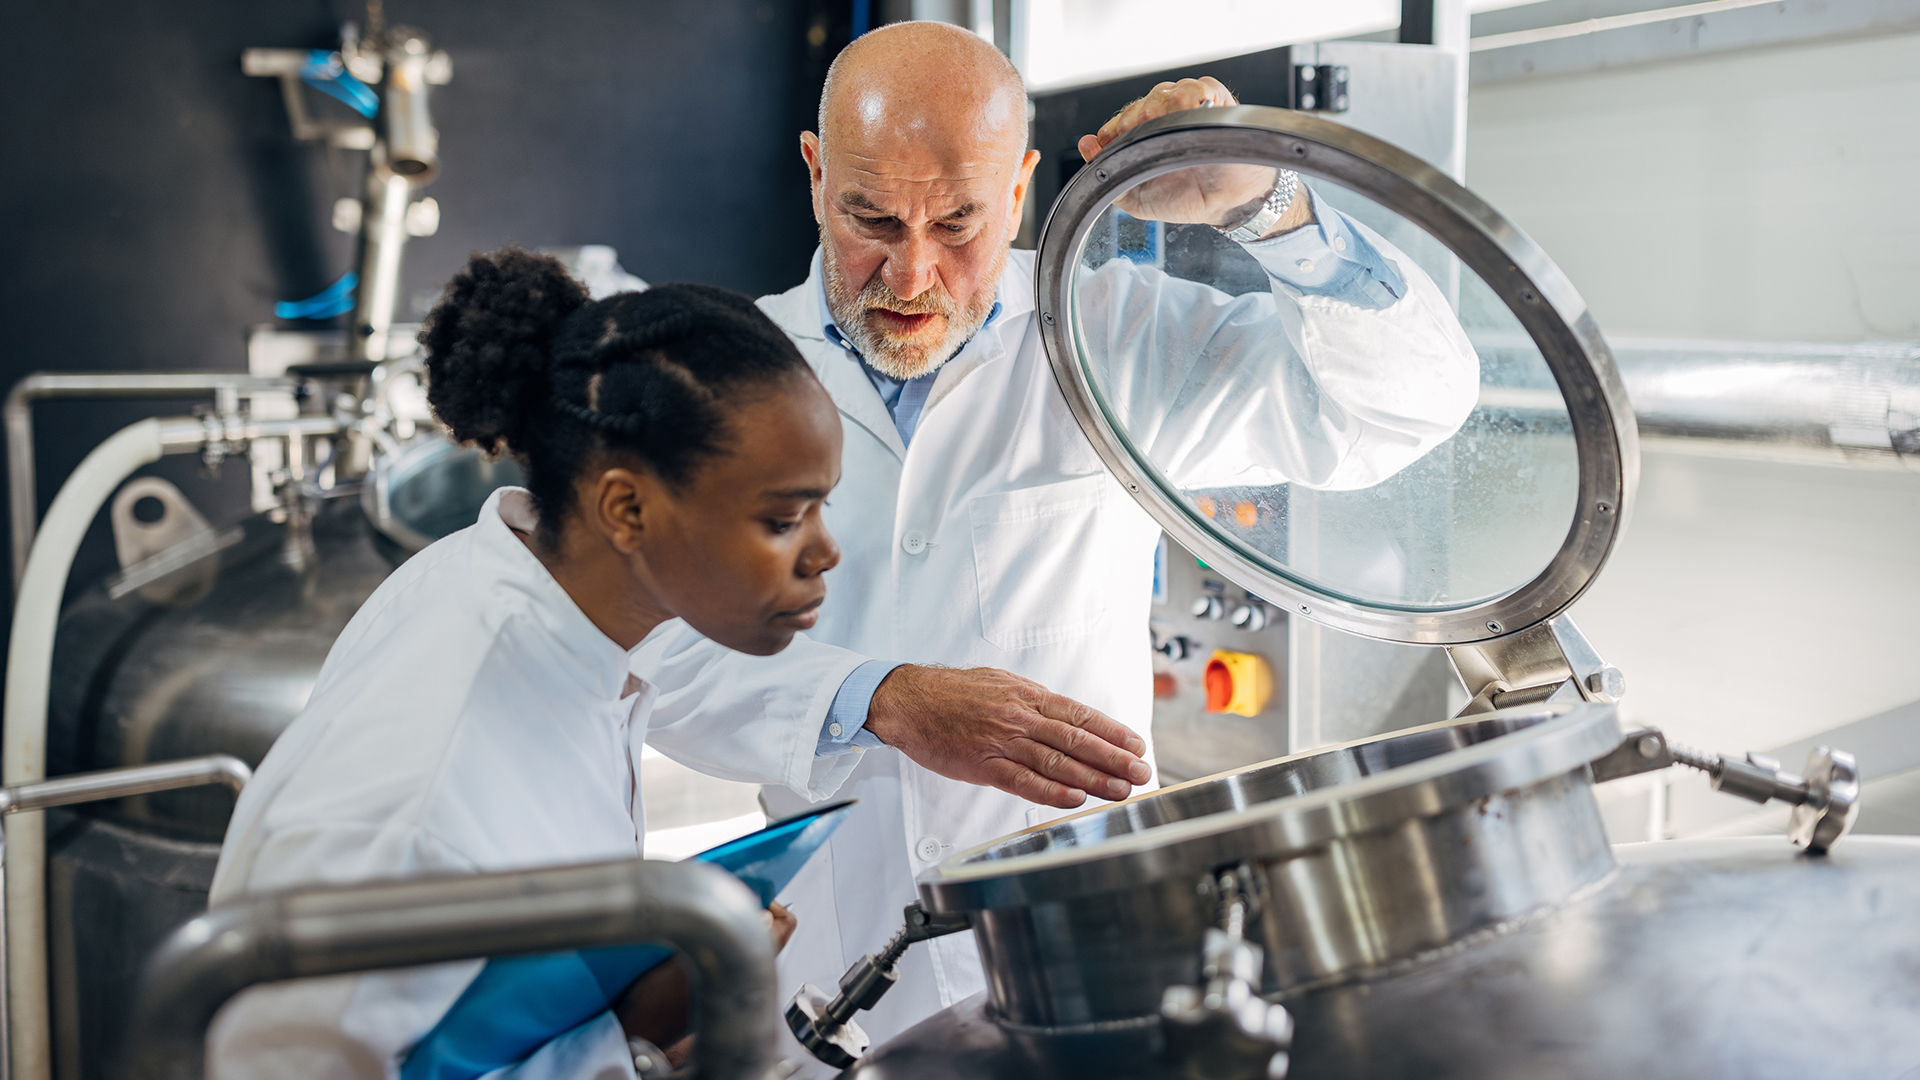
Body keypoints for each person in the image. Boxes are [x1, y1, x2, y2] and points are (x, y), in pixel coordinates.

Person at [635, 21, 1481, 1060]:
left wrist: (1273, 212)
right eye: (871, 217)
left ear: (1025, 185)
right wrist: (880, 698)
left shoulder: (1114, 336)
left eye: (958, 222)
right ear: (814, 174)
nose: (911, 272)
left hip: (1091, 955)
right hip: (837, 970)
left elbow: (1407, 406)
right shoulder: (717, 377)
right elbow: (651, 662)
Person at [205, 250, 841, 1079]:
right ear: (626, 508)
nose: (825, 551)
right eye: (785, 519)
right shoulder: (425, 789)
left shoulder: (537, 602)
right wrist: (634, 1036)